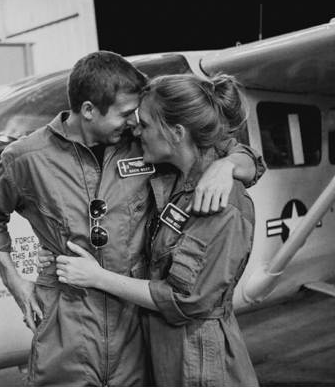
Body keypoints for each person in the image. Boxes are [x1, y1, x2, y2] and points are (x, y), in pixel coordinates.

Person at [0, 51, 263, 386]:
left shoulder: (146, 143)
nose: (134, 124)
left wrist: (228, 167)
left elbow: (217, 143)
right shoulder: (26, 158)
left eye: (138, 116)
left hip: (135, 326)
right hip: (66, 322)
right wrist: (15, 283)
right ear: (90, 111)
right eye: (125, 114)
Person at [54, 73, 260, 386]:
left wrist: (96, 277)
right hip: (168, 354)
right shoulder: (181, 176)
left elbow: (184, 299)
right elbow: (235, 150)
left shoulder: (221, 201)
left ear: (177, 132)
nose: (136, 131)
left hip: (200, 363)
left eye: (145, 124)